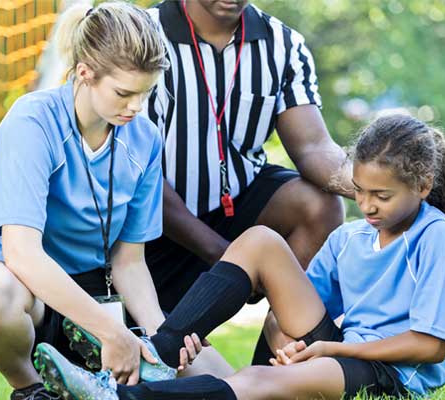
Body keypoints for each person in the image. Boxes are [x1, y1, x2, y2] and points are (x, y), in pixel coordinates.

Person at [35, 114, 445, 399]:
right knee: (261, 239)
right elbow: (290, 311)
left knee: (253, 381)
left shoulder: (437, 238)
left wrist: (332, 349)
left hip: (389, 375)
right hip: (337, 354)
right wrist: (286, 345)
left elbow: (430, 346)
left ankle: (119, 396)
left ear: (424, 186)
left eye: (382, 196)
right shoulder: (350, 239)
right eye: (359, 191)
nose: (368, 206)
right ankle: (161, 353)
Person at [0, 3, 175, 399]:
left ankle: (90, 378)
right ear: (85, 72)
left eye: (146, 93)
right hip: (24, 291)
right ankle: (34, 390)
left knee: (211, 376)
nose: (136, 107)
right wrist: (114, 334)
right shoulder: (32, 122)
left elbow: (129, 261)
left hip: (94, 295)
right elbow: (21, 255)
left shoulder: (145, 139)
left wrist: (162, 337)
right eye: (124, 93)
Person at [143, 0, 350, 364]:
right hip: (150, 224)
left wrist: (381, 185)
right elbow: (137, 173)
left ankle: (276, 365)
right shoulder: (142, 34)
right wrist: (224, 254)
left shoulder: (283, 44)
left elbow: (315, 147)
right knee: (140, 358)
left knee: (321, 204)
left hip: (238, 206)